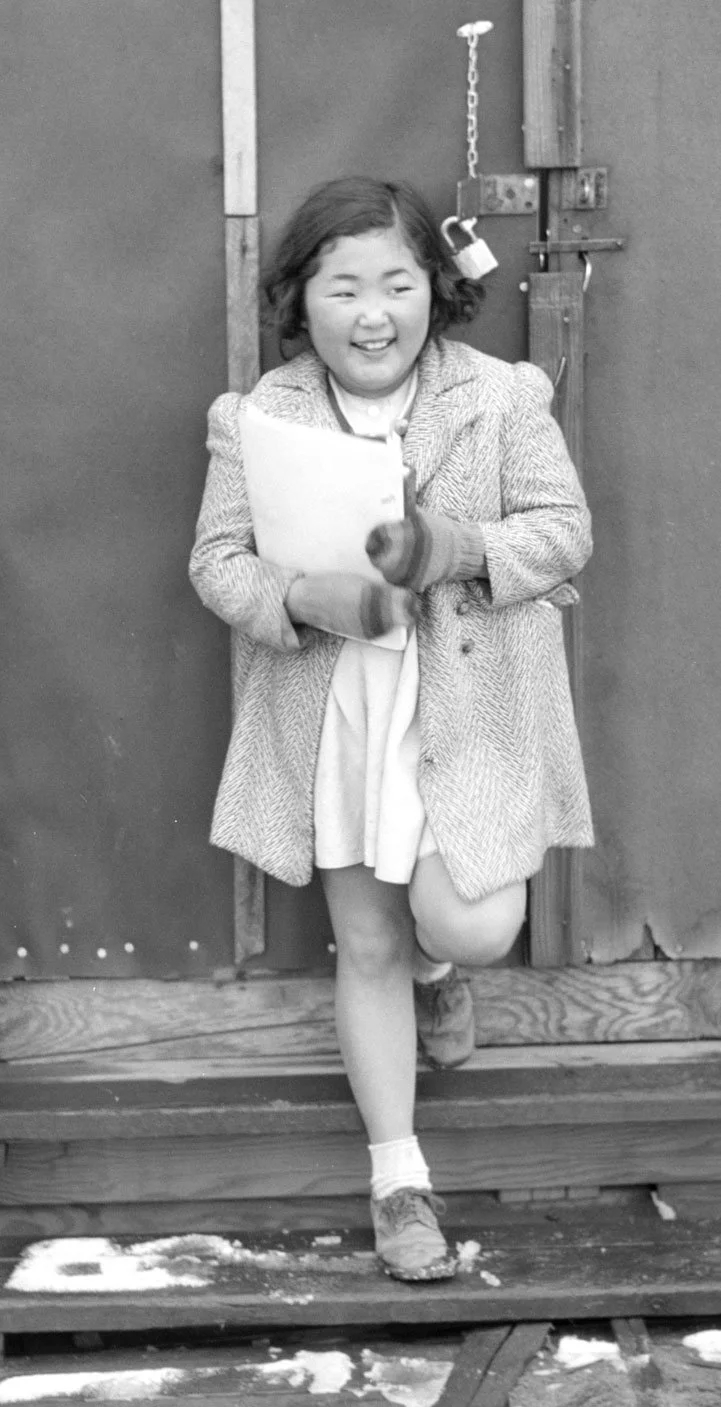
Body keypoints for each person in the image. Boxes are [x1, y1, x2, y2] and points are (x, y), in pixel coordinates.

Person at [189, 177, 592, 1282]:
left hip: (469, 709)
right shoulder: (257, 415)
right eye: (343, 287)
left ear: (434, 293)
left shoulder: (505, 396)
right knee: (363, 942)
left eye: (398, 285)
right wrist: (299, 601)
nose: (374, 313)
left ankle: (441, 974)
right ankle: (399, 1181)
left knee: (468, 927)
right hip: (340, 708)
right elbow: (217, 563)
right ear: (300, 300)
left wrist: (452, 547)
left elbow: (564, 534)